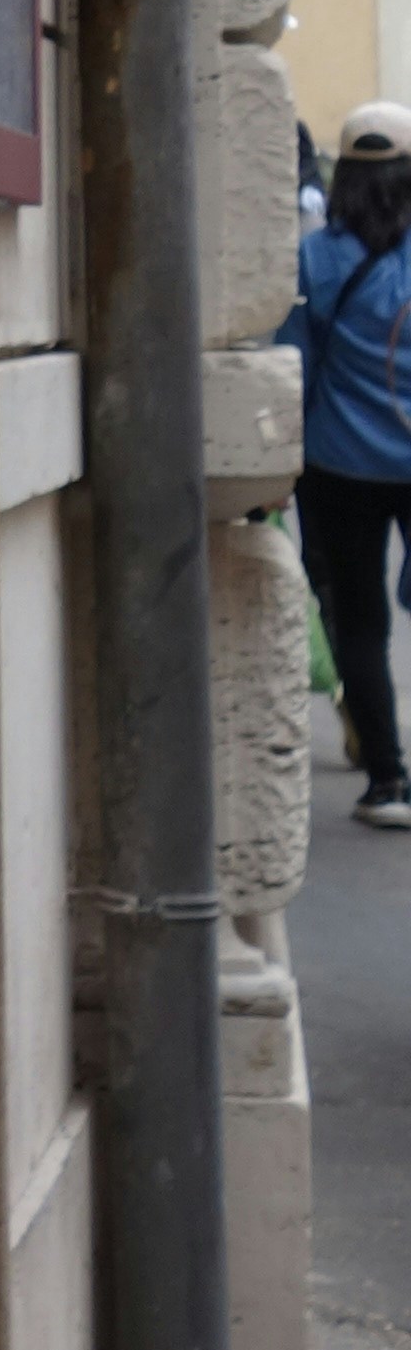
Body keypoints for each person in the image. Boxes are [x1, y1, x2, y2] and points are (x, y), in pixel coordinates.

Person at [287, 96, 411, 824]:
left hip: (340, 467)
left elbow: (294, 365)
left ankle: (389, 783)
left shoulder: (315, 257)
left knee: (360, 624)